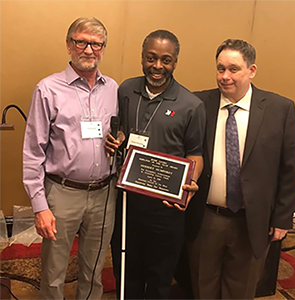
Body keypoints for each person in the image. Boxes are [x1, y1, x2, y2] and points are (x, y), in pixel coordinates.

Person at [185, 39, 295, 300]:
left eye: (233, 69)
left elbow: (291, 169)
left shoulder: (279, 109)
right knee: (203, 288)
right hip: (206, 219)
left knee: (241, 290)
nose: (225, 77)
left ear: (252, 70)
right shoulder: (197, 104)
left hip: (252, 222)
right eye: (220, 68)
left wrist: (283, 219)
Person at [23, 17, 123, 300]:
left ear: (103, 48)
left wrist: (121, 138)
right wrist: (40, 205)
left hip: (104, 193)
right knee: (54, 272)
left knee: (94, 271)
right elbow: (33, 151)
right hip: (62, 193)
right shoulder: (48, 89)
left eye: (96, 44)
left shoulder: (113, 89)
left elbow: (118, 130)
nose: (88, 50)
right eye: (81, 42)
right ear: (69, 45)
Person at [107, 30, 206, 300]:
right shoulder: (126, 89)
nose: (158, 66)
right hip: (127, 203)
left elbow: (196, 154)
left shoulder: (191, 105)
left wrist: (190, 183)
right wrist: (119, 139)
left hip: (166, 209)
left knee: (160, 277)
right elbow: (124, 130)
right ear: (142, 58)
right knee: (126, 271)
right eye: (151, 58)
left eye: (166, 60)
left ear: (175, 62)